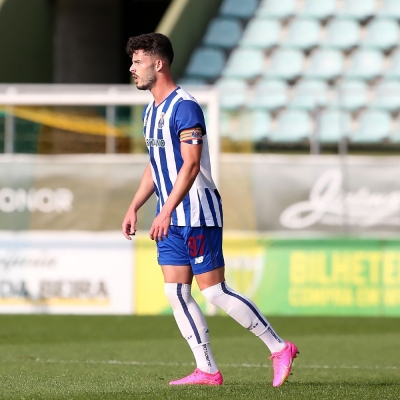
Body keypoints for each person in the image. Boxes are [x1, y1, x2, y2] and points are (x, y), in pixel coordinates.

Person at [121, 33, 298, 387]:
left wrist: (165, 209)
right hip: (169, 216)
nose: (132, 68)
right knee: (175, 292)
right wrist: (134, 205)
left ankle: (280, 347)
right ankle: (207, 369)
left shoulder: (185, 106)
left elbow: (190, 165)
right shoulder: (150, 111)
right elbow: (156, 163)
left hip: (197, 212)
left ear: (159, 63)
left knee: (214, 291)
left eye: (138, 61)